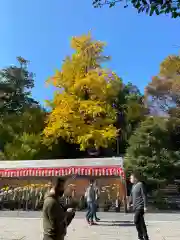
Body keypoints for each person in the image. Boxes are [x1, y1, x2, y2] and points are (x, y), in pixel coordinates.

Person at [129, 172, 149, 240]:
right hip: (135, 206)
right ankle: (145, 236)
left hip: (140, 206)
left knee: (136, 220)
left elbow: (144, 195)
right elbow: (132, 196)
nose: (130, 179)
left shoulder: (140, 184)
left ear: (135, 178)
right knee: (141, 222)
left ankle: (140, 236)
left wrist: (145, 206)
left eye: (131, 178)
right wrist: (130, 203)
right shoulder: (133, 186)